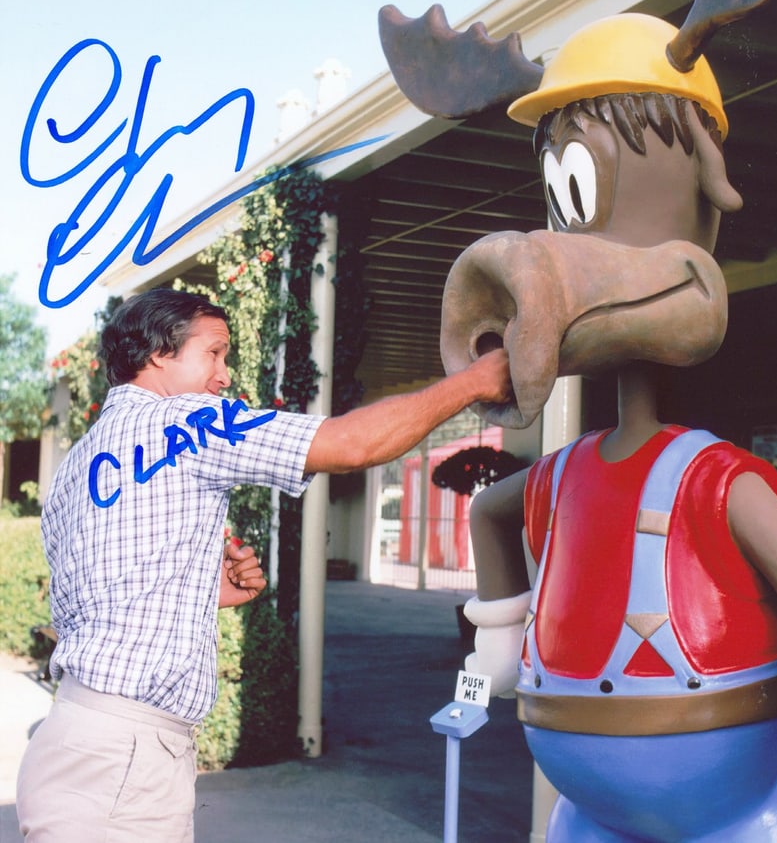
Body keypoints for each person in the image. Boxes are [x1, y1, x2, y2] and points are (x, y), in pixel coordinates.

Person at [15, 287, 511, 842]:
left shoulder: (77, 463)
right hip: (125, 760)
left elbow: (93, 596)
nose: (224, 376)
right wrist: (475, 382)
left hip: (72, 739)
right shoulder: (185, 421)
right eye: (213, 353)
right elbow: (351, 444)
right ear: (157, 353)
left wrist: (200, 590)